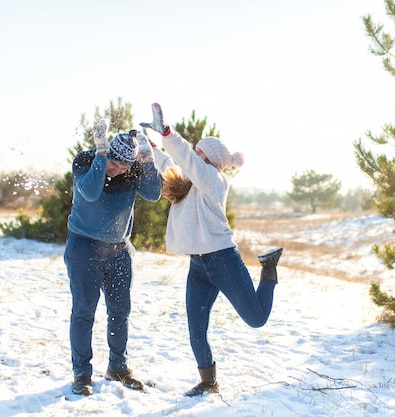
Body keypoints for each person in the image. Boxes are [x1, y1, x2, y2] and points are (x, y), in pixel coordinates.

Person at [141, 103, 283, 397]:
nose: (195, 157)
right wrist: (151, 145)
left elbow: (185, 159)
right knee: (196, 328)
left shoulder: (215, 180)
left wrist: (167, 132)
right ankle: (208, 381)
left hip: (223, 261)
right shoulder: (191, 183)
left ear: (213, 161)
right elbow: (170, 166)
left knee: (256, 319)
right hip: (199, 266)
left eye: (200, 153)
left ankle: (269, 267)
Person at [64, 119, 162, 396]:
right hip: (84, 247)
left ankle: (117, 367)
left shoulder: (132, 170)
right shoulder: (86, 161)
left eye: (124, 167)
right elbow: (91, 191)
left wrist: (146, 157)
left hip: (119, 251)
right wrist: (101, 154)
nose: (118, 171)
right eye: (115, 165)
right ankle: (82, 373)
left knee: (120, 312)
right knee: (84, 312)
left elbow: (154, 194)